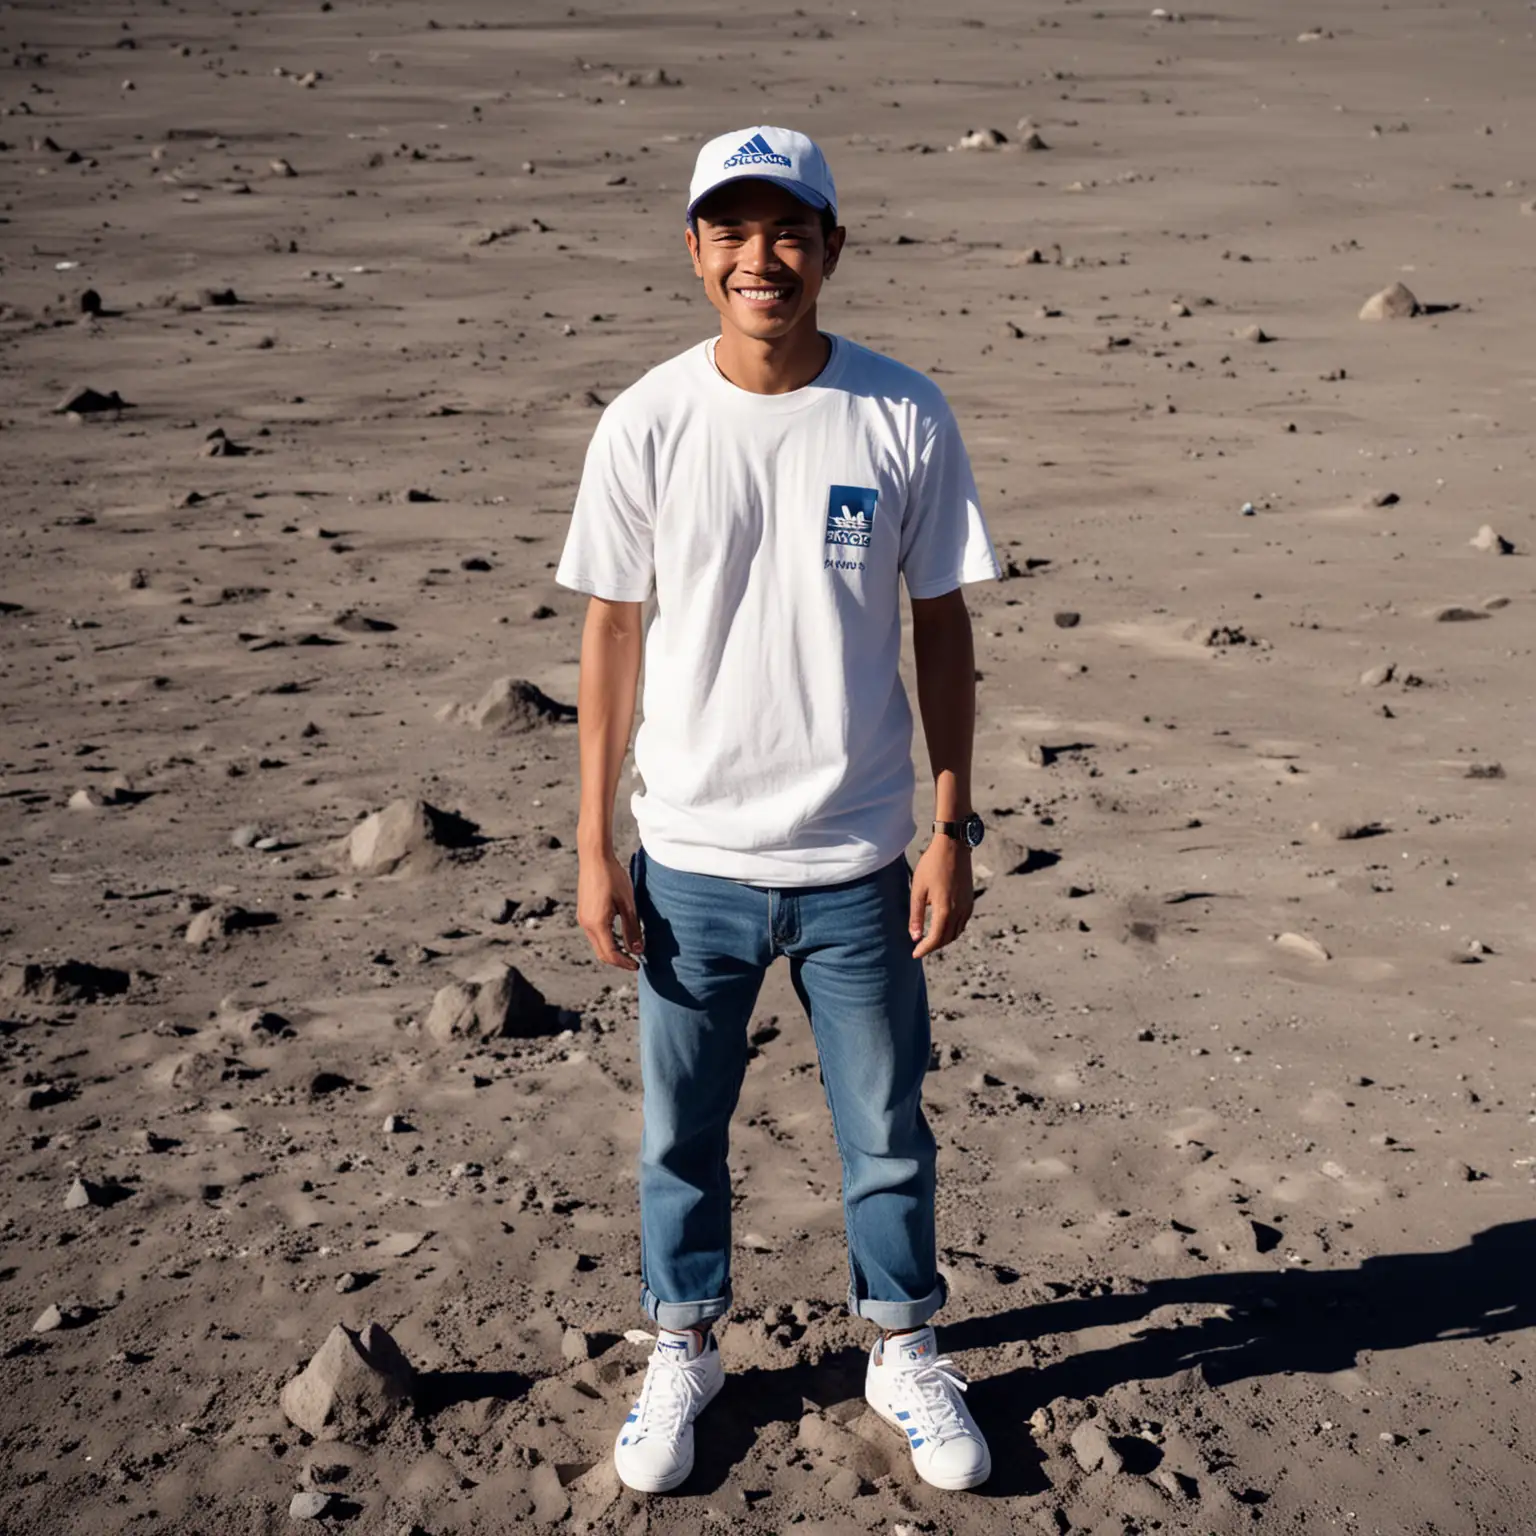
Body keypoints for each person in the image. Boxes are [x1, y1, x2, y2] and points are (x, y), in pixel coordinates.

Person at [555, 124, 1003, 1496]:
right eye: (733, 233)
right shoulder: (647, 420)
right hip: (689, 856)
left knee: (886, 1129)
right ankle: (683, 1342)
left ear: (831, 247)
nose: (764, 259)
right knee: (679, 1133)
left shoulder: (899, 413)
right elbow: (611, 642)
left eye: (789, 230)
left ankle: (901, 1343)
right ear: (696, 252)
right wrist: (593, 848)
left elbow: (941, 633)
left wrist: (950, 826)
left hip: (864, 855)